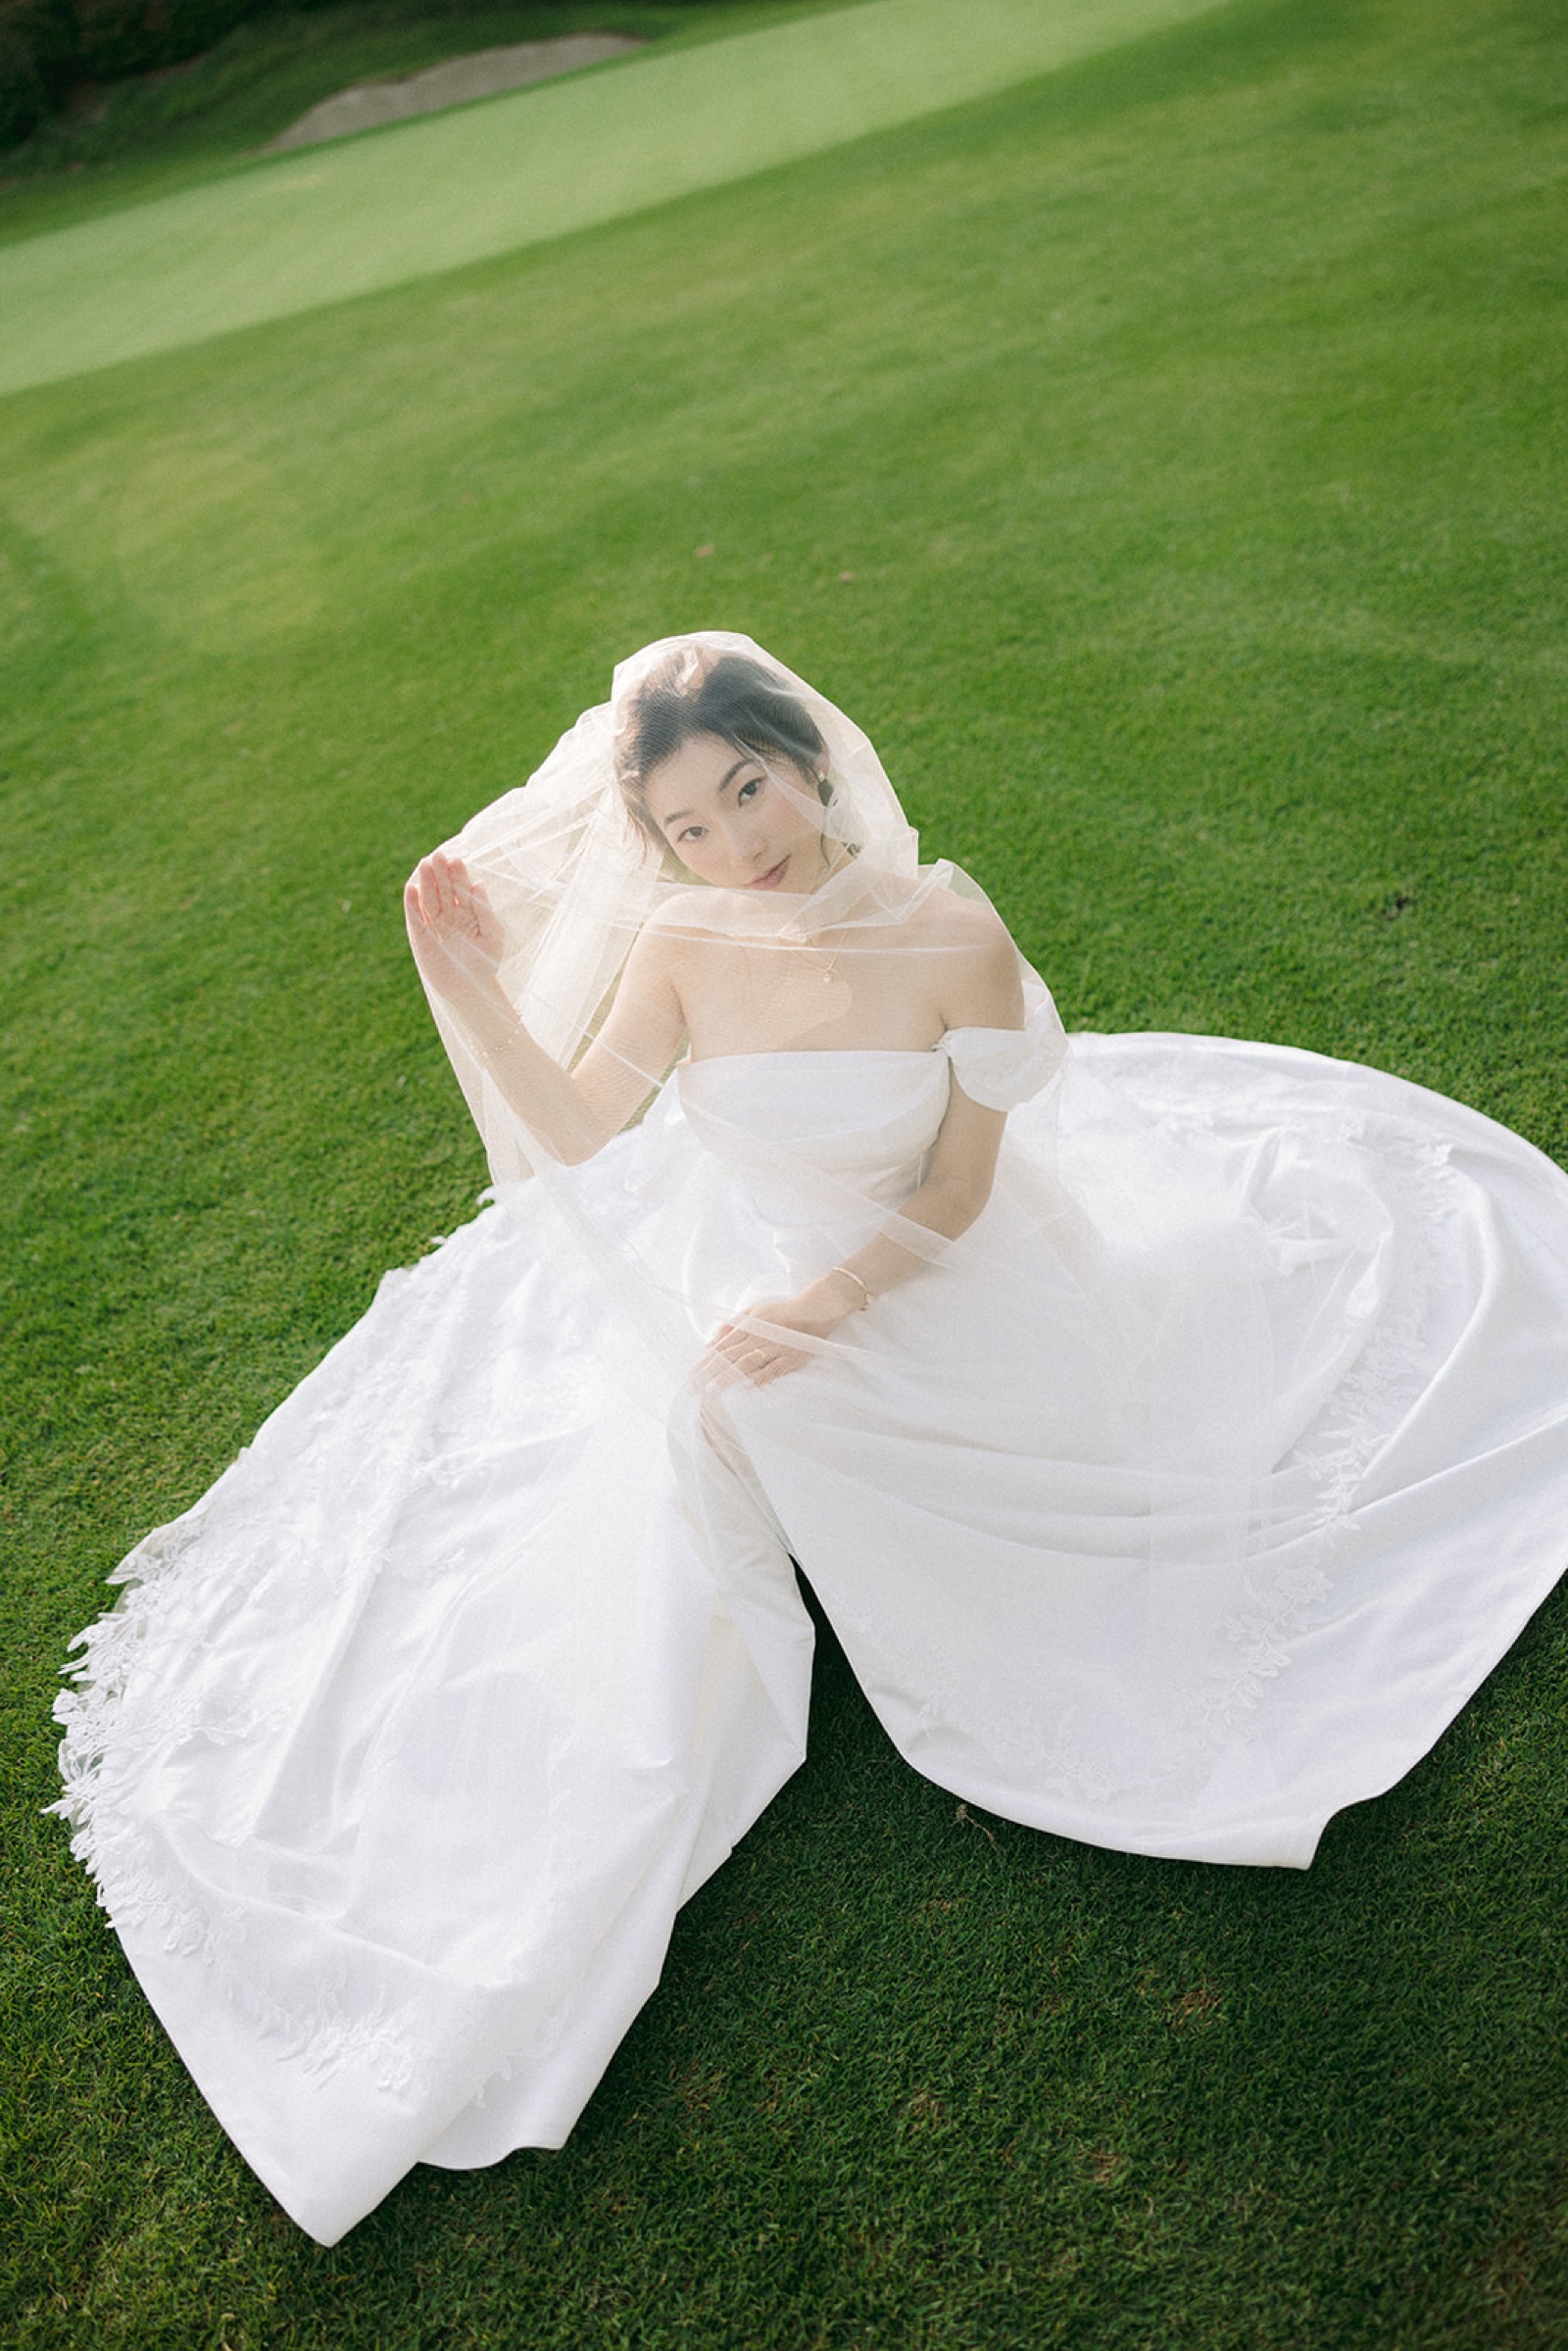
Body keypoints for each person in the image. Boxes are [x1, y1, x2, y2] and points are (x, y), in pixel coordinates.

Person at [54, 633, 1568, 2246]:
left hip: (925, 1271)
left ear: (813, 760)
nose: (733, 846)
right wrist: (479, 992)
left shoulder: (948, 933)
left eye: (748, 791)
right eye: (688, 828)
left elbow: (963, 1188)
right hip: (756, 1251)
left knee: (825, 1440)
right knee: (661, 1482)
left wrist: (826, 1311)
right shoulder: (689, 936)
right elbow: (575, 1133)